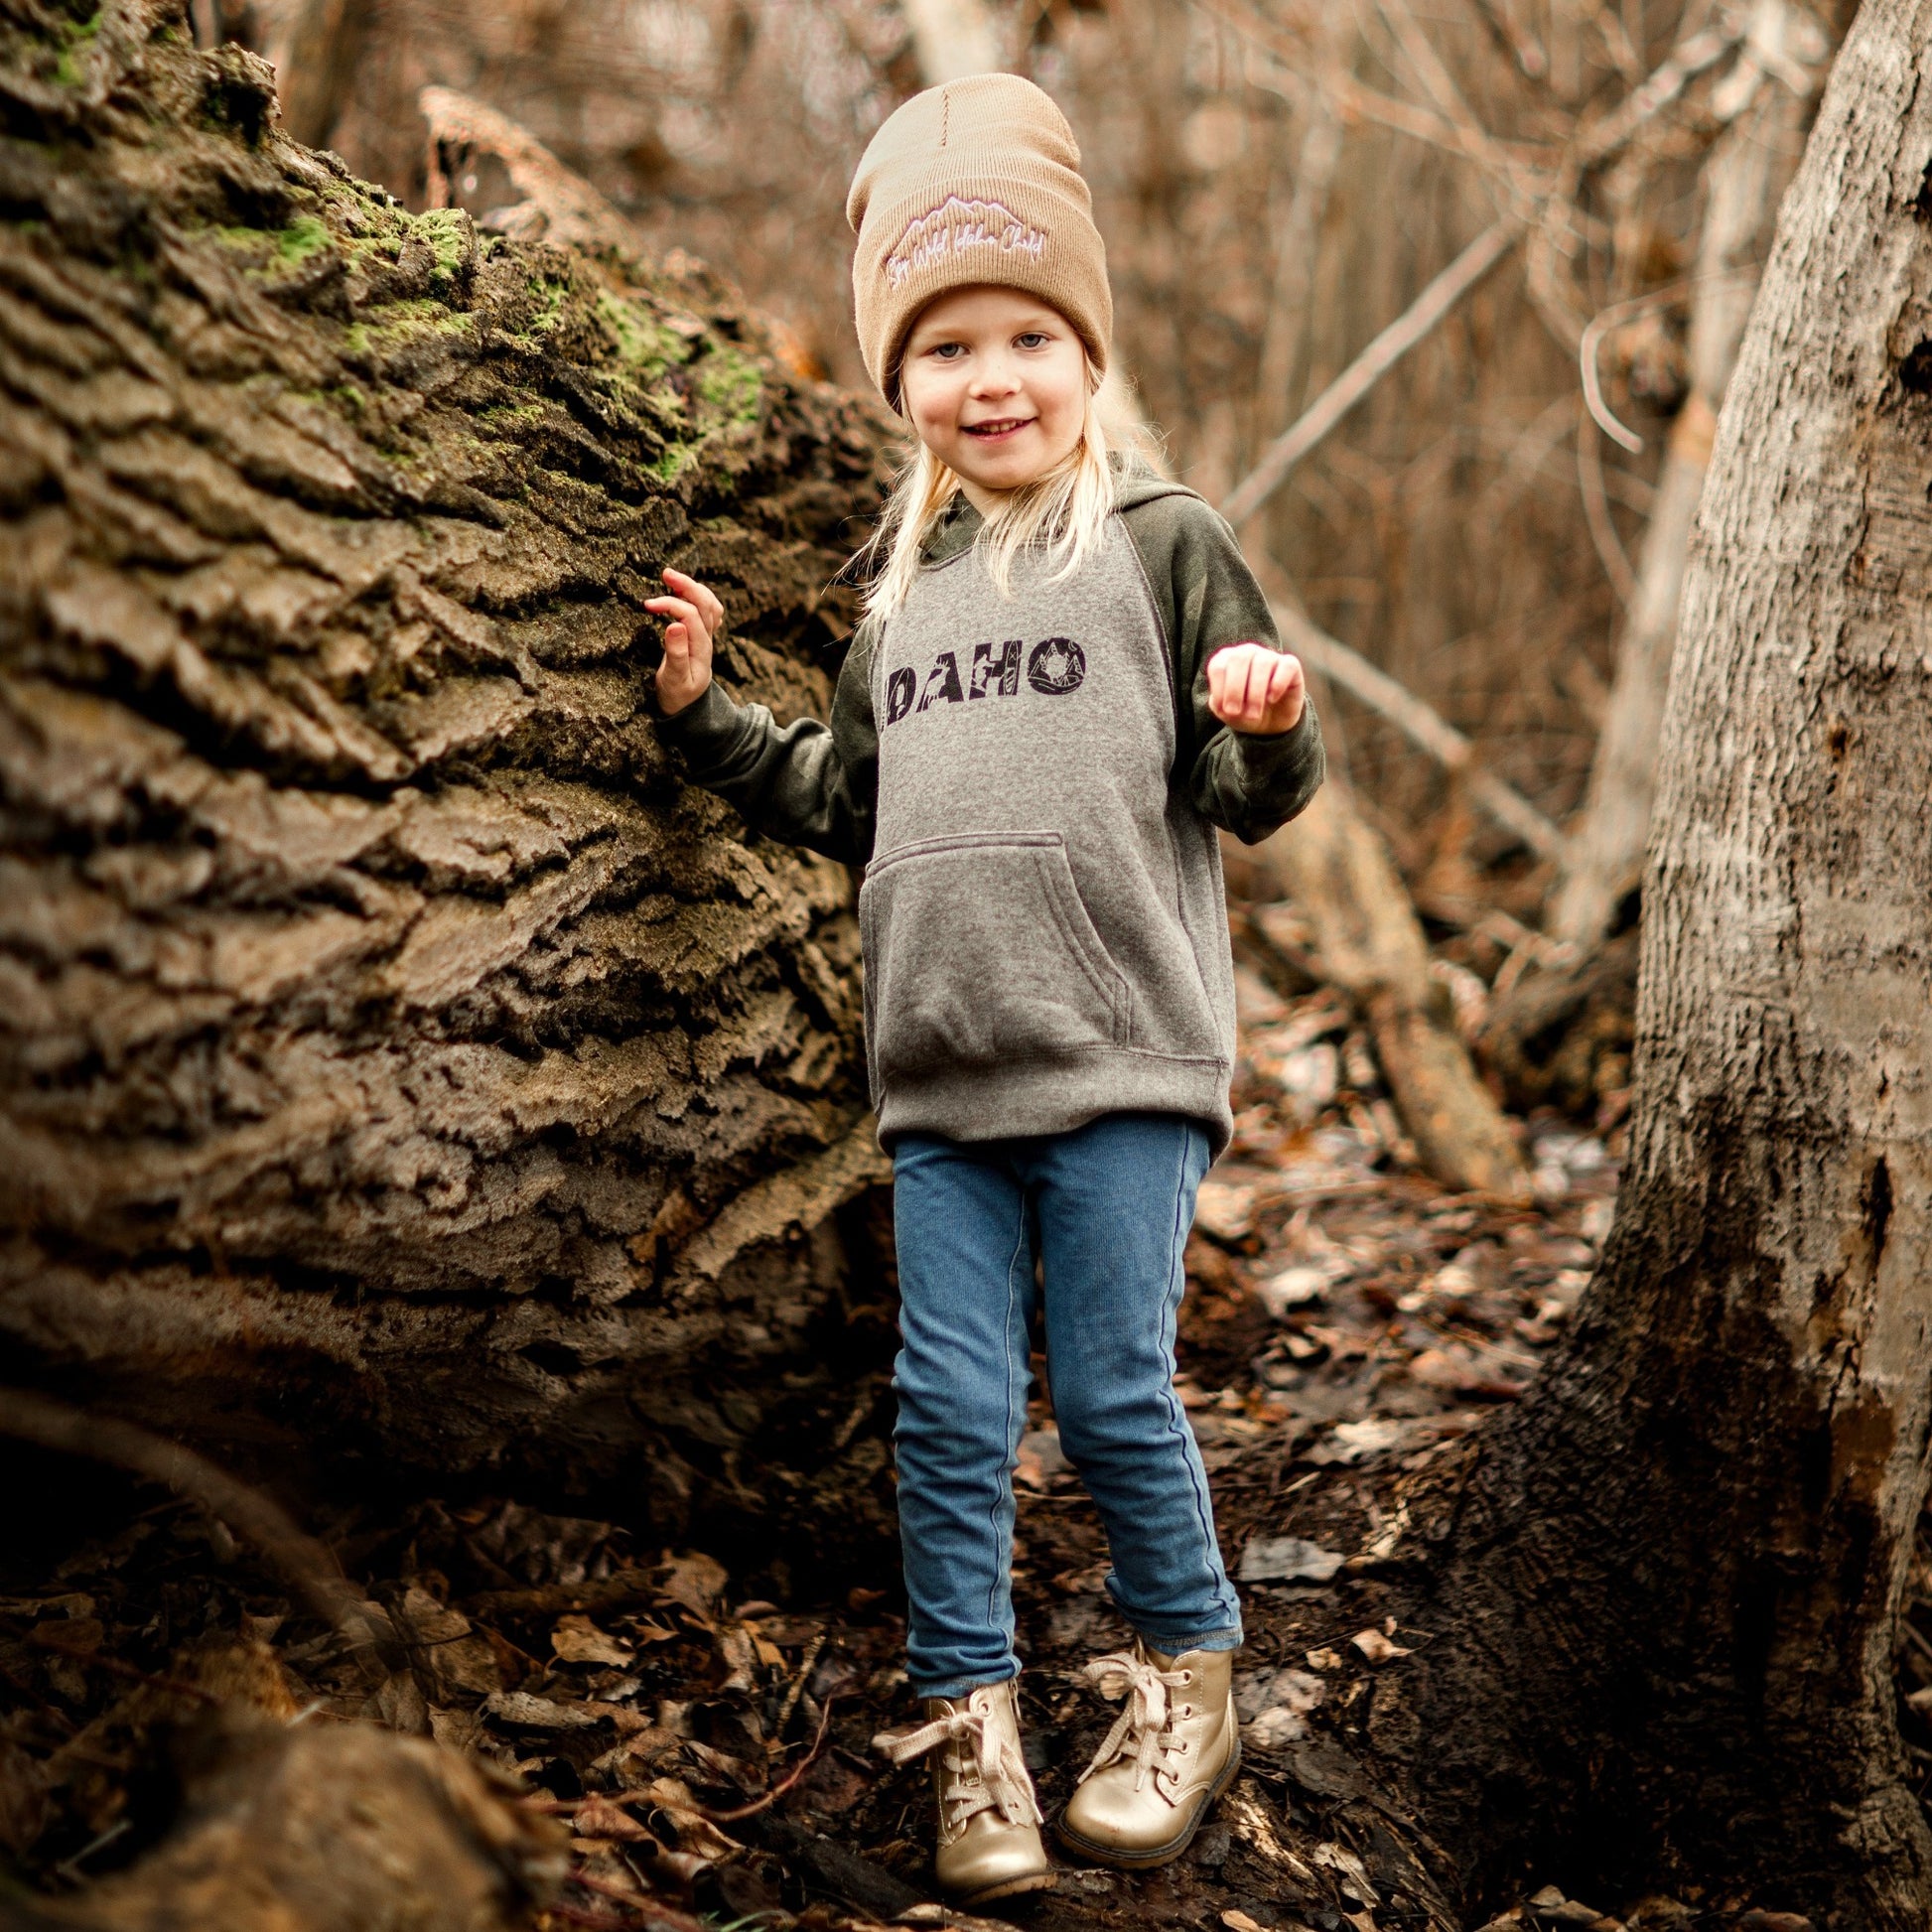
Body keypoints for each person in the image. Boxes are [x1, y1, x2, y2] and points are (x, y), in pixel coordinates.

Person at [646, 72, 1324, 1906]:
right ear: (902, 386)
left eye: (1031, 332)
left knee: (1110, 1391)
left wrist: (1265, 719)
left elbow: (1243, 790)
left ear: (1089, 356)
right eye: (947, 349)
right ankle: (971, 1722)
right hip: (942, 1082)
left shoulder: (1159, 542)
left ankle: (1190, 1673)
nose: (994, 375)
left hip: (1118, 1060)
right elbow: (845, 804)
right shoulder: (895, 605)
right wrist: (709, 715)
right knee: (947, 1409)